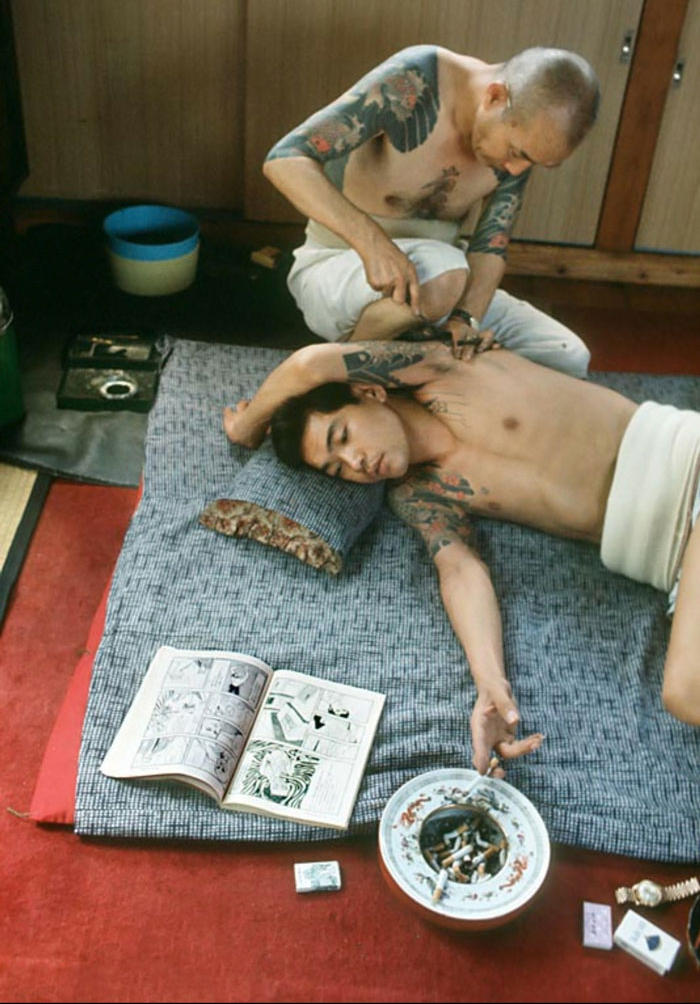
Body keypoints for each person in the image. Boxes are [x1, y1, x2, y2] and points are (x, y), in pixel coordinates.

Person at [223, 340, 700, 774]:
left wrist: (247, 425)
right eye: (336, 468)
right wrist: (491, 685)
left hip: (691, 475)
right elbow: (461, 569)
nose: (355, 463)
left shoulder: (446, 369)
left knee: (685, 692)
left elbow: (308, 364)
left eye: (343, 436)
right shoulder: (420, 493)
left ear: (369, 392)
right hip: (678, 567)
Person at [263, 44, 599, 370]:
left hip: (443, 285)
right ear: (495, 97)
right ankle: (337, 376)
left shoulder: (517, 149)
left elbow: (491, 245)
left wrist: (465, 319)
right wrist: (372, 243)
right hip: (343, 271)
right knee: (444, 274)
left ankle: (421, 367)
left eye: (533, 163)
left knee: (565, 355)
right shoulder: (414, 82)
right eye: (517, 152)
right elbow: (285, 160)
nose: (516, 170)